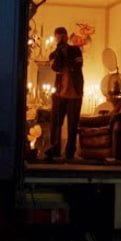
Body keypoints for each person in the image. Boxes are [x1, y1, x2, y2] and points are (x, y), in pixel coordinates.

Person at [47, 26, 85, 160]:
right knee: (56, 123)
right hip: (59, 95)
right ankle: (55, 149)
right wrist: (59, 52)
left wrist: (67, 52)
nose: (61, 40)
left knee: (72, 125)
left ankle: (69, 153)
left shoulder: (76, 50)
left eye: (63, 37)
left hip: (75, 95)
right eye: (58, 38)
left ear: (67, 37)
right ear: (55, 39)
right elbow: (55, 67)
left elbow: (77, 65)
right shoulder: (53, 54)